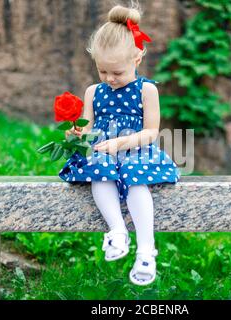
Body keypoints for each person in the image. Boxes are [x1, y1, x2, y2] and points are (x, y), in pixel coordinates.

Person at [58, 3, 180, 286]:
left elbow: (151, 132)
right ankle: (116, 231)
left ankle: (147, 250)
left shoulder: (147, 90)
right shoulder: (93, 91)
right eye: (103, 72)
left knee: (137, 177)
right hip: (103, 151)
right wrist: (76, 134)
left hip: (135, 147)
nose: (110, 79)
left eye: (117, 73)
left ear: (137, 59)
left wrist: (121, 143)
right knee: (99, 171)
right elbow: (87, 128)